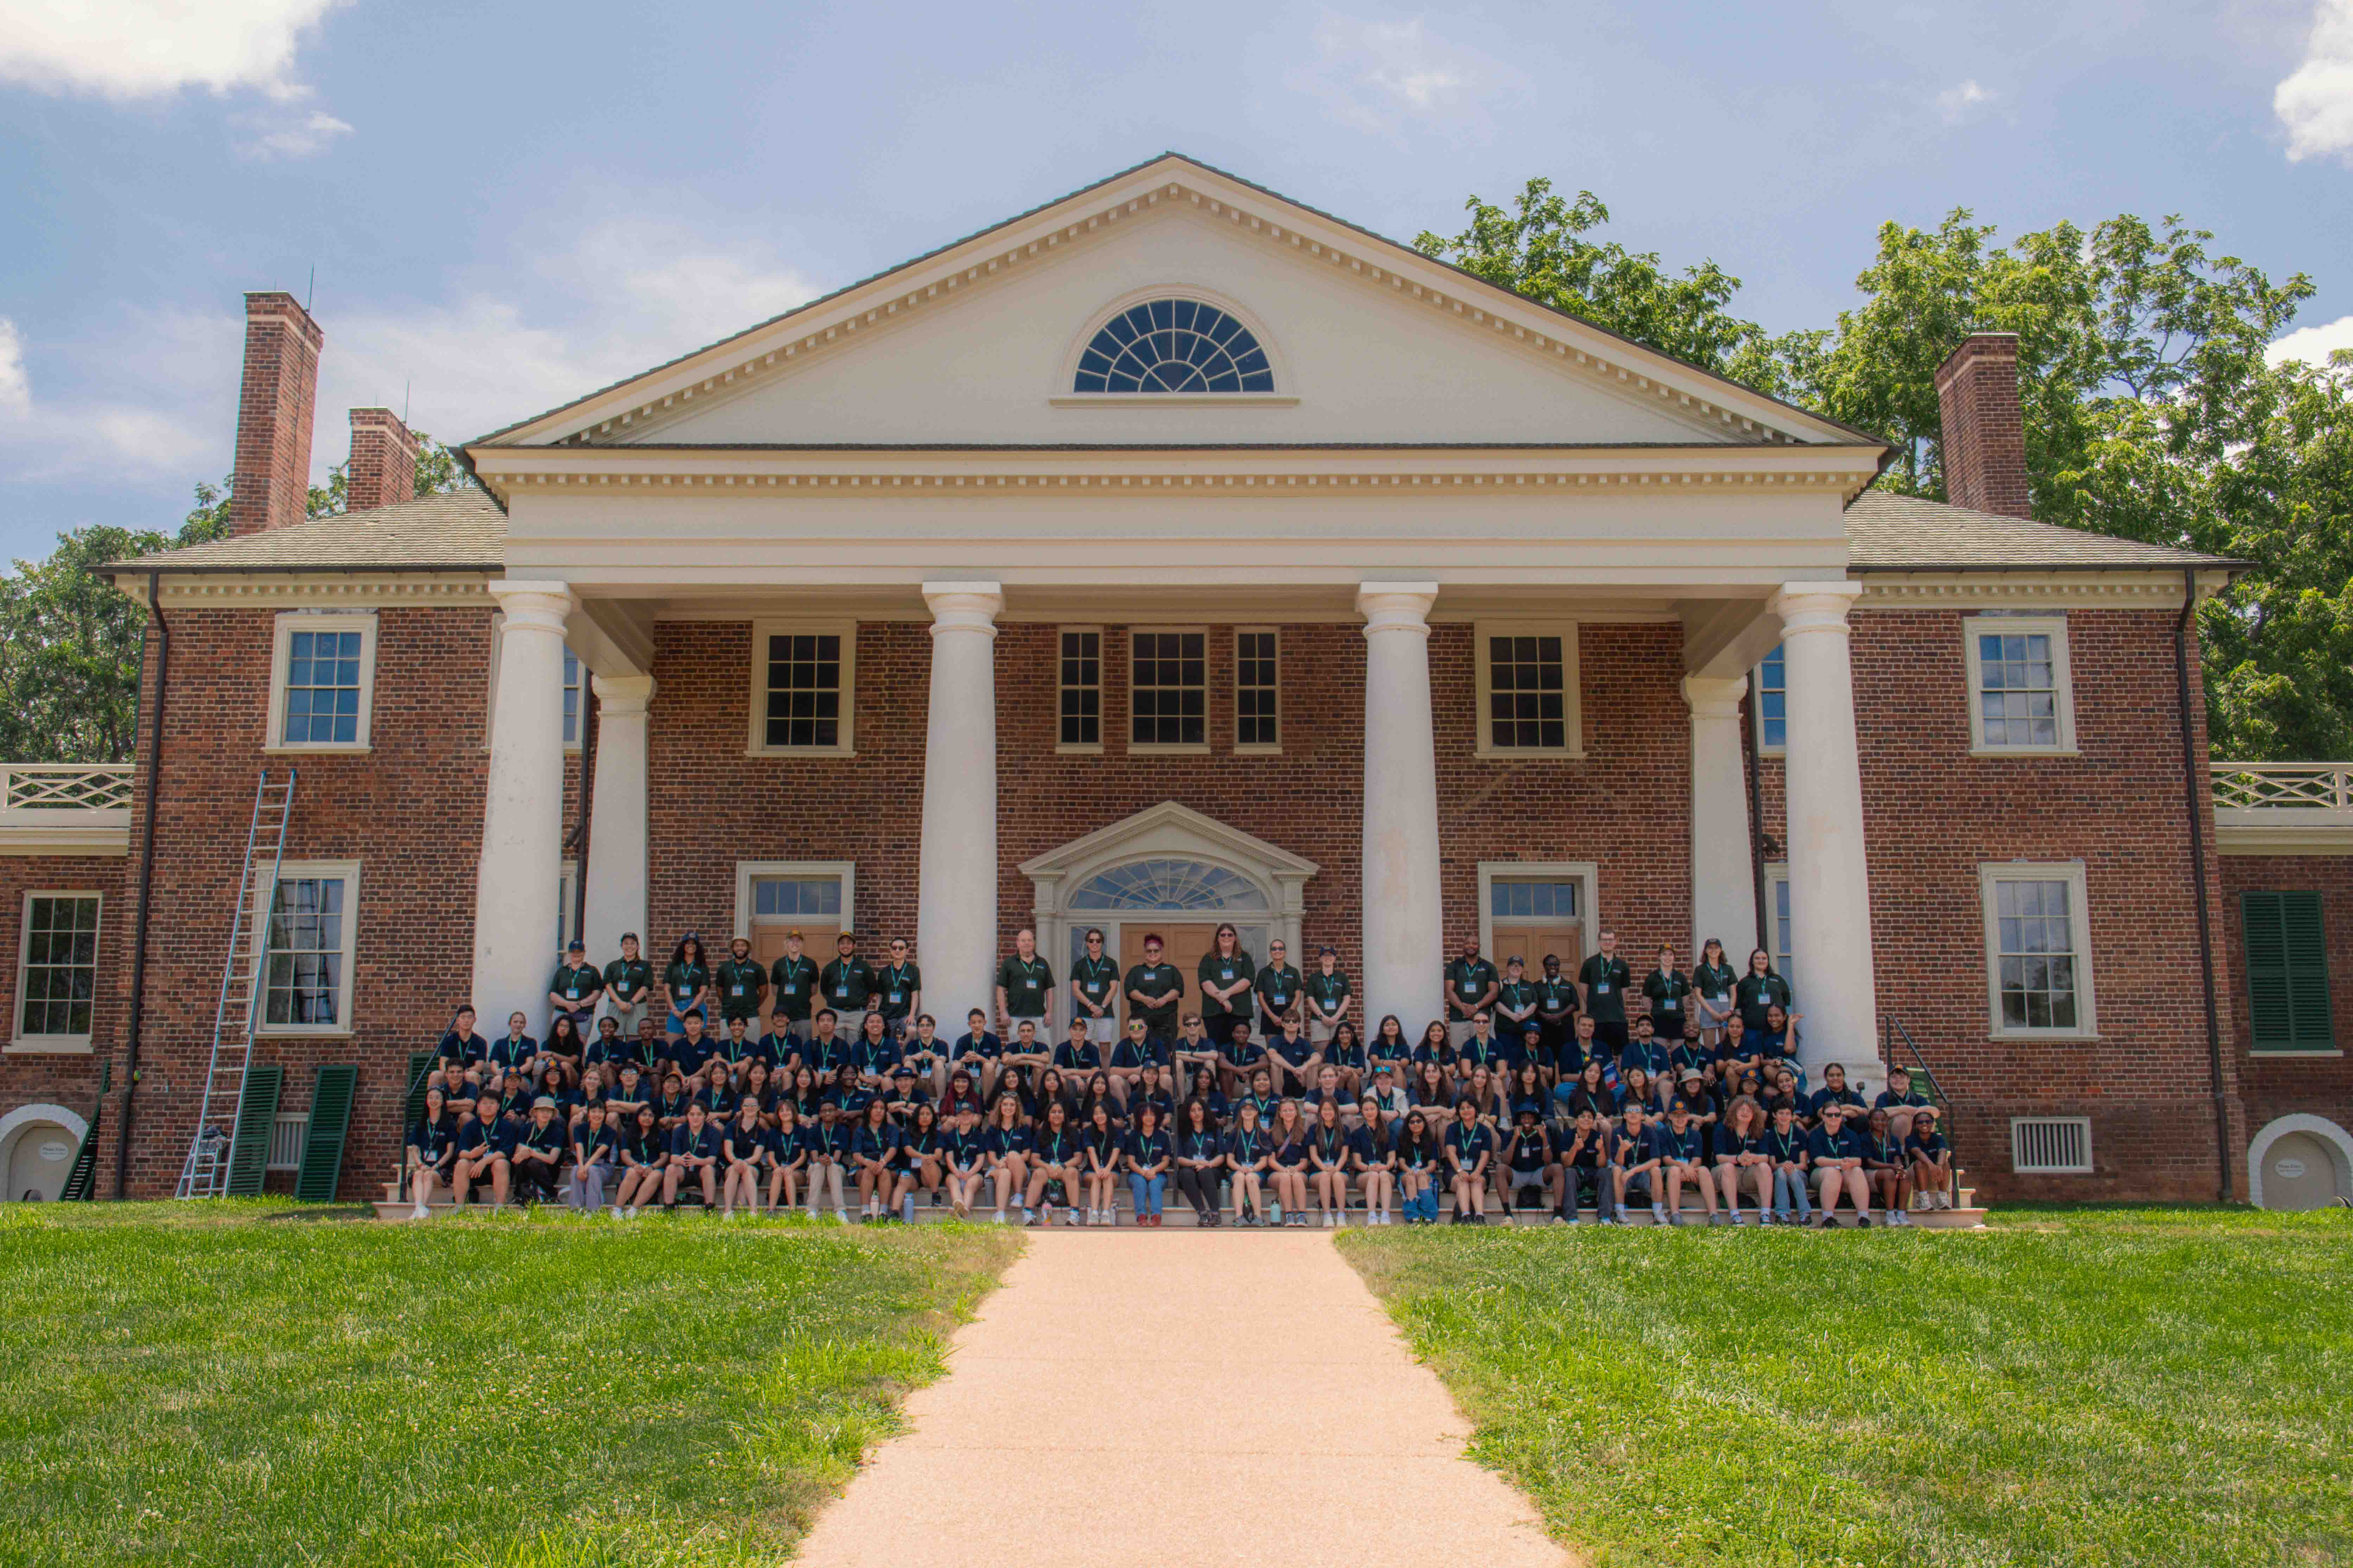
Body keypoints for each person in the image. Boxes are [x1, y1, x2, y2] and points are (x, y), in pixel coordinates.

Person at [1807, 1102, 1870, 1226]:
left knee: (1857, 1170)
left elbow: (1858, 1160)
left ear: (1842, 1117)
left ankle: (1864, 1218)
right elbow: (1819, 1160)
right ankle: (1828, 1218)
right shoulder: (1816, 1134)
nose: (1834, 1118)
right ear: (1823, 1117)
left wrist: (1849, 1163)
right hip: (1820, 1175)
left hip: (1844, 1173)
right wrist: (1840, 1162)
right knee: (1833, 1172)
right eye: (1830, 1115)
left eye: (1837, 1115)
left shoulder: (1850, 1134)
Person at [1656, 1099, 1717, 1224]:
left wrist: (1689, 1169)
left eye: (1683, 1115)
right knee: (1675, 1170)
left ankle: (1714, 1215)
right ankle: (1675, 1215)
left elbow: (1698, 1159)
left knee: (1704, 1170)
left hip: (1690, 1172)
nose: (1680, 1118)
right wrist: (1685, 1167)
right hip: (1671, 1172)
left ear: (1688, 1117)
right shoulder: (1663, 1134)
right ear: (1670, 1117)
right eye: (1676, 1115)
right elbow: (1667, 1160)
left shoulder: (1695, 1135)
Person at [1715, 1095, 1773, 1225]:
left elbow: (1765, 1157)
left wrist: (1753, 1158)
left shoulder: (1759, 1131)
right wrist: (1738, 1159)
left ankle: (1765, 1214)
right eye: (1742, 1109)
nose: (1745, 1113)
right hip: (1726, 1173)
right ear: (1734, 1111)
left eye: (1749, 1111)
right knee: (1728, 1167)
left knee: (1764, 1167)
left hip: (1748, 1173)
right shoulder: (1722, 1128)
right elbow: (1720, 1158)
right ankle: (1735, 1215)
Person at [452, 1091, 515, 1210]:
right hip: (475, 1171)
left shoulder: (506, 1126)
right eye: (485, 1103)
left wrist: (484, 1162)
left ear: (498, 1106)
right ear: (479, 1107)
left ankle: (500, 1208)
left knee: (501, 1163)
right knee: (462, 1163)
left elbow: (505, 1152)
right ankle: (459, 1207)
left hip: (497, 1171)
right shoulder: (470, 1126)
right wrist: (472, 1155)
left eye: (492, 1103)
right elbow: (461, 1151)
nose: (488, 1106)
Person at [1196, 924, 1255, 1050]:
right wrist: (1222, 999)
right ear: (1218, 938)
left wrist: (1227, 993)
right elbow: (1205, 982)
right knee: (1216, 1047)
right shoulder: (1208, 959)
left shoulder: (1245, 958)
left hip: (1240, 1011)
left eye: (1230, 935)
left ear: (1235, 938)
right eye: (1223, 935)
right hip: (1214, 1012)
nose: (1226, 937)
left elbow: (1248, 980)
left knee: (1239, 1047)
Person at [1123, 933, 1184, 1053]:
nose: (1153, 953)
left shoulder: (1171, 970)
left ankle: (1166, 1072)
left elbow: (1178, 989)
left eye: (1156, 950)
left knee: (1167, 1051)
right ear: (1145, 953)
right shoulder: (1136, 971)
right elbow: (1130, 990)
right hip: (1142, 1018)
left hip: (1166, 1018)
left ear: (1161, 951)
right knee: (1142, 1049)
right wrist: (1144, 999)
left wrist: (1165, 999)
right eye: (1149, 951)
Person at [1733, 948, 1794, 1065]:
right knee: (1754, 1061)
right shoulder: (1745, 982)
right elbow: (1738, 1008)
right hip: (1752, 1030)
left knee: (1774, 1059)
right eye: (1757, 958)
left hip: (1774, 1030)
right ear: (1752, 961)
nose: (1761, 961)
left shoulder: (1778, 980)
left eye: (1764, 958)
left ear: (1768, 961)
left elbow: (1787, 1003)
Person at [404, 1085, 457, 1219]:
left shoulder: (449, 1124)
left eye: (438, 1098)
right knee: (418, 1175)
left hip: (441, 1169)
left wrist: (435, 1167)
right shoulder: (421, 1124)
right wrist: (421, 1165)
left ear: (443, 1101)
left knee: (428, 1175)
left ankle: (422, 1207)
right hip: (424, 1166)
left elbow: (450, 1152)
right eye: (431, 1098)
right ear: (427, 1101)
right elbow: (414, 1150)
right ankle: (419, 1208)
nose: (434, 1101)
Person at [1027, 1099, 1082, 1227]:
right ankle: (1028, 1212)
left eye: (1060, 1112)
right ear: (1048, 1116)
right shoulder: (1041, 1133)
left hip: (1066, 1169)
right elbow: (1034, 1159)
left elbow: (1079, 1158)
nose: (1057, 1115)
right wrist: (1048, 1167)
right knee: (1038, 1173)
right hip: (1047, 1170)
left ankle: (1075, 1213)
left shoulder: (1073, 1133)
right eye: (1053, 1112)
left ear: (1064, 1116)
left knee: (1072, 1172)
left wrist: (1063, 1166)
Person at [1578, 931, 1632, 1058]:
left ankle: (1620, 1078)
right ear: (1599, 942)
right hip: (1597, 1019)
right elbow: (1583, 987)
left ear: (1616, 942)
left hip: (1617, 1018)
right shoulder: (1590, 964)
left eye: (1610, 940)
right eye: (1604, 940)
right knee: (1598, 1055)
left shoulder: (1623, 965)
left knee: (1622, 1055)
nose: (1607, 942)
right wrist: (1593, 1002)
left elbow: (1625, 990)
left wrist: (1616, 1003)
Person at [661, 1100, 722, 1210]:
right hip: (685, 1170)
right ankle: (669, 1208)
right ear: (687, 1116)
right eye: (692, 1114)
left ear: (705, 1116)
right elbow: (674, 1159)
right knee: (671, 1168)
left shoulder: (714, 1132)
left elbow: (712, 1160)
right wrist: (683, 1160)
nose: (695, 1118)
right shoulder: (679, 1131)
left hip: (704, 1172)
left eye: (699, 1115)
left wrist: (697, 1161)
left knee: (708, 1169)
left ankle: (709, 1208)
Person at [996, 928, 1055, 1041]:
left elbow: (1050, 990)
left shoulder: (1043, 963)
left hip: (1039, 1016)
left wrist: (1049, 1012)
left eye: (1030, 940)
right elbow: (1000, 989)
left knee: (1042, 1050)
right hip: (1016, 1016)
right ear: (1018, 943)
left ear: (1034, 943)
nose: (1027, 943)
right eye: (1023, 941)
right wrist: (1003, 1013)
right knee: (1017, 1051)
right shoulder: (1009, 963)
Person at [1612, 1102, 1665, 1225]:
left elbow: (1657, 1160)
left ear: (1643, 1116)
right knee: (1616, 1169)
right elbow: (1618, 1163)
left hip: (1643, 1174)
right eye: (1630, 1111)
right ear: (1624, 1116)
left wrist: (1634, 1171)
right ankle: (1620, 1212)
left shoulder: (1650, 1132)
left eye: (1637, 1111)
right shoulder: (1618, 1132)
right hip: (1625, 1177)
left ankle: (1658, 1212)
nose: (1633, 1113)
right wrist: (1622, 1150)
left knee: (1656, 1170)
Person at [850, 1098, 903, 1223]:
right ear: (869, 1110)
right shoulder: (860, 1130)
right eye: (875, 1108)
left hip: (886, 1167)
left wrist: (882, 1163)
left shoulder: (892, 1129)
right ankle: (865, 1212)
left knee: (884, 1172)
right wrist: (869, 1163)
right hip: (864, 1169)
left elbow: (893, 1149)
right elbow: (856, 1155)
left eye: (882, 1108)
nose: (879, 1111)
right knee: (869, 1171)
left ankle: (883, 1212)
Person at [1556, 1108, 1612, 1224]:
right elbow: (1566, 1164)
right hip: (1576, 1172)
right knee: (1569, 1173)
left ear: (1593, 1123)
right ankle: (1571, 1217)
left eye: (1590, 1117)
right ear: (1576, 1121)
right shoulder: (1568, 1135)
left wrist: (1602, 1150)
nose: (1586, 1119)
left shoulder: (1598, 1136)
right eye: (1583, 1116)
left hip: (1593, 1173)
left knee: (1606, 1173)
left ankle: (1605, 1217)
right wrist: (1575, 1149)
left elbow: (1602, 1165)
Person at [1442, 1097, 1493, 1224]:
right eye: (1463, 1109)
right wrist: (1460, 1170)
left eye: (1470, 1108)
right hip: (1455, 1171)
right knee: (1462, 1182)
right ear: (1458, 1112)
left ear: (1476, 1110)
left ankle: (1480, 1218)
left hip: (1479, 1169)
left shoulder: (1485, 1131)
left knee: (1477, 1182)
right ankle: (1465, 1218)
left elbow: (1485, 1156)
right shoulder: (1452, 1129)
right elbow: (1451, 1153)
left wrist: (1477, 1172)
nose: (1466, 1111)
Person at [984, 1094, 1033, 1225]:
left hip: (1020, 1169)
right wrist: (1001, 1164)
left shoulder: (1024, 1129)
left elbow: (1027, 1155)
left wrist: (1011, 1160)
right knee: (1005, 1173)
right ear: (1000, 1108)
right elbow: (991, 1157)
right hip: (998, 1166)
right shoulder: (992, 1130)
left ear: (1017, 1109)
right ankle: (1000, 1214)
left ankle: (1018, 1195)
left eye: (1012, 1105)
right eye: (1005, 1105)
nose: (1009, 1108)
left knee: (1013, 1155)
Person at [1070, 926, 1122, 1047]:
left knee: (1105, 1049)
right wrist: (1091, 1006)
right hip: (1085, 1013)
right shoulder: (1080, 965)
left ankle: (1105, 1067)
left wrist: (1102, 1008)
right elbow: (1076, 990)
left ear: (1102, 943)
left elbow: (1114, 989)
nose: (1095, 943)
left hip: (1105, 1013)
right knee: (1084, 1047)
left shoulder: (1111, 963)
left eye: (1098, 941)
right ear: (1087, 943)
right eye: (1092, 941)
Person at [1444, 939, 1499, 1049]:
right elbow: (1449, 992)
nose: (1471, 946)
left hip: (1482, 1019)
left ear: (1479, 946)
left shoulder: (1489, 967)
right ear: (1463, 946)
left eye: (1475, 944)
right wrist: (1464, 1009)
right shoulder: (1454, 966)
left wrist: (1476, 1007)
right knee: (1459, 1053)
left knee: (1483, 1051)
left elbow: (1494, 992)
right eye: (1468, 943)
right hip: (1458, 1018)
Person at [1501, 1106, 1556, 1216]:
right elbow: (1505, 1161)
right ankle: (1508, 1214)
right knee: (1500, 1169)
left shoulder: (1542, 1134)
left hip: (1538, 1175)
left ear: (1536, 1120)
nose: (1527, 1121)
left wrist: (1544, 1139)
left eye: (1530, 1118)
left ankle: (1558, 1214)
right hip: (1517, 1175)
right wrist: (1515, 1138)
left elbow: (1549, 1161)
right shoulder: (1510, 1135)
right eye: (1523, 1118)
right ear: (1518, 1120)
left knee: (1558, 1168)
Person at [613, 1105, 667, 1218]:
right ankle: (617, 1210)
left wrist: (652, 1167)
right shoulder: (629, 1134)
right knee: (633, 1173)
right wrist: (635, 1165)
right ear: (638, 1116)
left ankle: (633, 1210)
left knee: (656, 1175)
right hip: (634, 1166)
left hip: (655, 1167)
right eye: (644, 1115)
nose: (647, 1118)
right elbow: (625, 1155)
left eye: (651, 1115)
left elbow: (664, 1157)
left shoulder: (662, 1135)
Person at [1762, 1100, 1811, 1224]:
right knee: (1780, 1171)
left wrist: (1791, 1167)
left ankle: (1805, 1215)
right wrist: (1784, 1166)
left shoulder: (1800, 1134)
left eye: (1788, 1114)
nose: (1784, 1117)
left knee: (1793, 1174)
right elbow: (1772, 1165)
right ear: (1774, 1115)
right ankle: (1782, 1214)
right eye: (1781, 1114)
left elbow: (1804, 1165)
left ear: (1792, 1116)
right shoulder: (1770, 1135)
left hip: (1799, 1174)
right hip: (1779, 1175)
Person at [822, 932, 876, 1044]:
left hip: (857, 1014)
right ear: (838, 946)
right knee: (837, 1048)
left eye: (849, 943)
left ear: (854, 946)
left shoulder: (864, 967)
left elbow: (872, 990)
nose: (845, 946)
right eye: (842, 943)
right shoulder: (830, 968)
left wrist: (861, 1002)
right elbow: (824, 990)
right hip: (836, 1014)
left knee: (856, 1047)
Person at [1347, 1097, 1394, 1224]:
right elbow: (1357, 1162)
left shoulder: (1389, 1131)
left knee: (1383, 1175)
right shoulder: (1357, 1134)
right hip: (1365, 1173)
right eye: (1366, 1110)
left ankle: (1385, 1215)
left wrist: (1386, 1167)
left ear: (1378, 1110)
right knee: (1374, 1175)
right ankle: (1372, 1215)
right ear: (1362, 1112)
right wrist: (1369, 1168)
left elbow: (1392, 1158)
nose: (1370, 1112)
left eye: (1372, 1109)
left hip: (1385, 1171)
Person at [768, 929, 820, 1044]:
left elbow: (814, 989)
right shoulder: (779, 964)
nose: (795, 944)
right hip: (783, 1015)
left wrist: (802, 996)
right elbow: (775, 989)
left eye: (798, 941)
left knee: (805, 1046)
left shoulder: (810, 964)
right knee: (784, 1046)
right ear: (787, 943)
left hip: (803, 1014)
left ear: (802, 944)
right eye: (792, 941)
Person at [1224, 1098, 1271, 1226]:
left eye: (1252, 1109)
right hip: (1238, 1170)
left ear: (1257, 1113)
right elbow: (1230, 1159)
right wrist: (1240, 1168)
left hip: (1256, 1172)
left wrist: (1252, 1169)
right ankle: (1239, 1216)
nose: (1248, 1112)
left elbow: (1264, 1161)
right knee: (1239, 1177)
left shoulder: (1262, 1134)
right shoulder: (1234, 1134)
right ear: (1240, 1112)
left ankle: (1258, 1216)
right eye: (1245, 1109)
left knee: (1250, 1178)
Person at [721, 1098, 770, 1217]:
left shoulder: (761, 1131)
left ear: (759, 1108)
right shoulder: (731, 1127)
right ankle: (728, 1212)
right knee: (734, 1170)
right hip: (733, 1164)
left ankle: (754, 1211)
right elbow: (728, 1150)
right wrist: (735, 1161)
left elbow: (757, 1156)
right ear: (742, 1107)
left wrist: (744, 1163)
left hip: (753, 1165)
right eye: (747, 1105)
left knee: (746, 1171)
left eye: (754, 1105)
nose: (750, 1108)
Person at [1860, 1107, 1910, 1226]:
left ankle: (1902, 1214)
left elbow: (1897, 1157)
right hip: (1870, 1174)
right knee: (1889, 1173)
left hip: (1890, 1171)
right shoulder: (1864, 1138)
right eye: (1876, 1120)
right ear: (1870, 1122)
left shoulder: (1892, 1139)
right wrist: (1892, 1167)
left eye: (1883, 1120)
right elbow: (1870, 1162)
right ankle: (1890, 1215)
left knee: (1906, 1175)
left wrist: (1898, 1166)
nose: (1880, 1123)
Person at [1266, 1099, 1312, 1227]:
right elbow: (1271, 1160)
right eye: (1285, 1111)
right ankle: (1289, 1215)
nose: (1288, 1113)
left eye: (1291, 1110)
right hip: (1277, 1172)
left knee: (1296, 1177)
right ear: (1280, 1114)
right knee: (1286, 1178)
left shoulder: (1303, 1134)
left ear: (1297, 1112)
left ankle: (1302, 1216)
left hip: (1297, 1170)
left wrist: (1295, 1169)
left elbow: (1305, 1162)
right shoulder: (1272, 1134)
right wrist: (1284, 1170)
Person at [662, 934, 713, 1045]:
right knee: (671, 1045)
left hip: (696, 1007)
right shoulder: (673, 965)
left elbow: (704, 991)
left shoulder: (702, 967)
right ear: (683, 946)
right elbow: (667, 989)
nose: (691, 946)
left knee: (697, 1046)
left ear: (698, 947)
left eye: (694, 943)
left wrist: (690, 1009)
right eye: (688, 943)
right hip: (677, 1008)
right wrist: (674, 1010)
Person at [1308, 1097, 1352, 1226]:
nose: (1328, 1113)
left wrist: (1336, 1168)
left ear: (1336, 1111)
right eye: (1325, 1110)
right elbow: (1313, 1155)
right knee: (1325, 1177)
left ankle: (1341, 1215)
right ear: (1320, 1112)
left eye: (1331, 1109)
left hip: (1339, 1169)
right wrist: (1324, 1168)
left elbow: (1345, 1155)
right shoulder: (1313, 1129)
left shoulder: (1344, 1129)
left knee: (1338, 1178)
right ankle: (1327, 1215)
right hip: (1319, 1171)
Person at [603, 933, 654, 1042]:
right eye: (626, 944)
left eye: (633, 944)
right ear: (622, 946)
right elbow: (608, 985)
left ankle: (632, 1060)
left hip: (637, 1006)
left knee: (635, 1038)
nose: (629, 946)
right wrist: (619, 1003)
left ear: (638, 946)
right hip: (616, 1006)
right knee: (616, 1037)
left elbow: (645, 987)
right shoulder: (613, 966)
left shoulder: (645, 966)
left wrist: (632, 1003)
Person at [568, 1102, 617, 1213]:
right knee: (576, 1169)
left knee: (592, 1170)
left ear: (605, 1114)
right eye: (594, 1112)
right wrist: (581, 1166)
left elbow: (600, 1152)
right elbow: (579, 1148)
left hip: (603, 1167)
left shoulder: (610, 1132)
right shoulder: (580, 1129)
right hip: (584, 1164)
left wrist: (586, 1167)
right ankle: (576, 1209)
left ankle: (593, 1210)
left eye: (601, 1112)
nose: (597, 1115)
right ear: (589, 1114)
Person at [942, 1104, 990, 1220]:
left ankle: (962, 1214)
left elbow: (980, 1161)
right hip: (955, 1172)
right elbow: (949, 1159)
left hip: (974, 1173)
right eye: (962, 1114)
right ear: (957, 1116)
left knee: (970, 1185)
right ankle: (960, 1209)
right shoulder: (951, 1136)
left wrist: (969, 1174)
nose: (965, 1117)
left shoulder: (979, 1136)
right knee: (954, 1184)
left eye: (969, 1114)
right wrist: (957, 1172)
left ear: (973, 1116)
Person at [1393, 1110, 1441, 1224]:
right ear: (1408, 1125)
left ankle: (1429, 1215)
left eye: (1419, 1121)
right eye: (1412, 1122)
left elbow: (1433, 1165)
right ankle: (1412, 1215)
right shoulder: (1402, 1141)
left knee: (1422, 1178)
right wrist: (1409, 1170)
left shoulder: (1431, 1141)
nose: (1416, 1124)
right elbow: (1401, 1162)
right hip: (1406, 1172)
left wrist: (1423, 1171)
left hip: (1426, 1172)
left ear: (1424, 1123)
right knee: (1410, 1178)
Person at [900, 1102, 946, 1222]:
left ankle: (935, 1195)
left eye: (928, 1114)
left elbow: (939, 1154)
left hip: (930, 1173)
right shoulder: (908, 1132)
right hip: (913, 1173)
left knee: (928, 1162)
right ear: (917, 1117)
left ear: (933, 1117)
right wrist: (922, 1156)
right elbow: (908, 1150)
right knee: (904, 1178)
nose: (925, 1117)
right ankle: (894, 1212)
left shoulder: (938, 1134)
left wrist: (930, 1158)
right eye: (922, 1114)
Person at [548, 939, 604, 1036]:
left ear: (584, 953)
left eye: (580, 952)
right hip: (562, 1013)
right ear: (570, 953)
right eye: (574, 952)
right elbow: (553, 994)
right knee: (559, 1045)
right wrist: (568, 1004)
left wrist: (579, 1005)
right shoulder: (562, 971)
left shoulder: (592, 971)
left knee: (579, 1047)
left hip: (583, 1014)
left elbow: (598, 993)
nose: (577, 954)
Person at [715, 936, 767, 1038]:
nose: (740, 948)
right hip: (728, 1015)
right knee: (727, 1050)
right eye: (737, 946)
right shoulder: (724, 968)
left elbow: (764, 992)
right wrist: (728, 1002)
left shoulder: (757, 967)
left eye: (743, 945)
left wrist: (754, 1005)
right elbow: (720, 990)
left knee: (752, 1048)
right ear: (733, 948)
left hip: (750, 1015)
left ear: (748, 948)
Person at [809, 1101, 853, 1222]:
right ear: (820, 1115)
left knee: (833, 1167)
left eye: (831, 1110)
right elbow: (814, 1158)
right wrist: (823, 1160)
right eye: (824, 1111)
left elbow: (837, 1157)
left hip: (836, 1169)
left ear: (836, 1113)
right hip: (817, 1170)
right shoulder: (813, 1131)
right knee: (818, 1166)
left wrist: (830, 1160)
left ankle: (840, 1211)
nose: (828, 1113)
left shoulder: (843, 1131)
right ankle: (812, 1210)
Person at [1082, 1099, 1124, 1226]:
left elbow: (1116, 1153)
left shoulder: (1118, 1132)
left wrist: (1107, 1169)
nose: (1099, 1116)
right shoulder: (1088, 1132)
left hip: (1112, 1171)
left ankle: (1106, 1213)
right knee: (1097, 1177)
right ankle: (1094, 1214)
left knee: (1108, 1177)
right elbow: (1091, 1152)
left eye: (1102, 1113)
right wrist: (1098, 1170)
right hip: (1092, 1171)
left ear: (1108, 1114)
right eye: (1096, 1113)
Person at [1642, 943, 1691, 1048]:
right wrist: (1657, 1010)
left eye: (1670, 955)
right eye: (1664, 954)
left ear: (1674, 958)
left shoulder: (1681, 977)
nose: (1667, 958)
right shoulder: (1652, 977)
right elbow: (1646, 1001)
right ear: (1659, 957)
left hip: (1678, 1019)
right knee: (1660, 1054)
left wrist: (1678, 1009)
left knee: (1678, 1055)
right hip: (1659, 1020)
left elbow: (1686, 999)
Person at [1534, 955, 1579, 1071]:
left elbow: (1575, 1004)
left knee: (1567, 1063)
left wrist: (1559, 1016)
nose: (1554, 967)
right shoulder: (1537, 986)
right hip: (1545, 1032)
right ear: (1545, 966)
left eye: (1557, 964)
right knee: (1547, 1065)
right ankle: (1550, 1088)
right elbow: (1533, 1006)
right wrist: (1545, 1016)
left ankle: (1566, 1087)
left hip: (1565, 1031)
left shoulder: (1568, 985)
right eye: (1550, 964)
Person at [1692, 937, 1737, 1052]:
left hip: (1726, 1009)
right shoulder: (1700, 969)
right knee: (1709, 1048)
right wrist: (1712, 1012)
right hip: (1709, 1009)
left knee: (1726, 1046)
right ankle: (1711, 1069)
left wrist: (1731, 1010)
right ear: (1706, 951)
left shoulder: (1728, 969)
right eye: (1710, 948)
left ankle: (1723, 1069)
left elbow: (1733, 992)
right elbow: (1698, 994)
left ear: (1721, 950)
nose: (1713, 950)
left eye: (1716, 948)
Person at [875, 936, 921, 1044]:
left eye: (901, 948)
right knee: (887, 1041)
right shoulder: (884, 972)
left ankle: (903, 1055)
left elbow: (915, 994)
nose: (898, 951)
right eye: (895, 948)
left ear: (907, 951)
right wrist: (878, 1014)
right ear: (891, 950)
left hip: (904, 1014)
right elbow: (879, 995)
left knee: (912, 1031)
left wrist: (912, 1015)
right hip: (887, 1014)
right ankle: (892, 1059)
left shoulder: (913, 970)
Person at [1254, 939, 1302, 1041]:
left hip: (1290, 1012)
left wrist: (1288, 1014)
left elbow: (1298, 996)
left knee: (1291, 1049)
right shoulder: (1263, 973)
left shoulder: (1294, 972)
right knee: (1273, 1050)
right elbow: (1260, 998)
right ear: (1271, 953)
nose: (1278, 951)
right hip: (1270, 1013)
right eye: (1274, 949)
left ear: (1285, 953)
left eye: (1281, 949)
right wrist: (1272, 1017)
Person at [950, 1008, 1003, 1101]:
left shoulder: (994, 1039)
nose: (977, 1025)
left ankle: (987, 1103)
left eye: (980, 1022)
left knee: (989, 1066)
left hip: (985, 1077)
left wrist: (980, 1058)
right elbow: (956, 1062)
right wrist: (964, 1059)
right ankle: (956, 1100)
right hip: (967, 1077)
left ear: (985, 1023)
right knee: (956, 1065)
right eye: (974, 1023)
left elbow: (994, 1064)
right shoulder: (962, 1040)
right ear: (969, 1024)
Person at [1905, 1111, 1954, 1211]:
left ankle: (1942, 1197)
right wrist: (1932, 1165)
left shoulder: (1938, 1138)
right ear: (1915, 1125)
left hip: (1935, 1173)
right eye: (1920, 1122)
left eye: (1928, 1122)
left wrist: (1939, 1166)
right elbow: (1918, 1153)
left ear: (1932, 1123)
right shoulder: (1910, 1139)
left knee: (1945, 1164)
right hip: (1915, 1174)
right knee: (1920, 1163)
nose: (1924, 1124)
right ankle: (1923, 1198)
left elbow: (1943, 1151)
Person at [1302, 946, 1351, 1046]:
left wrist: (1336, 1017)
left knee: (1339, 1050)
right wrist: (1322, 1017)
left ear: (1335, 958)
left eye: (1331, 955)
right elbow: (1311, 1000)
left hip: (1339, 1020)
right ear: (1320, 959)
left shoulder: (1342, 977)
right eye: (1325, 955)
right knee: (1322, 1050)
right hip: (1319, 1020)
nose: (1328, 958)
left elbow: (1347, 999)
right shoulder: (1314, 978)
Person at [1265, 1013, 1319, 1097]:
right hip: (1282, 1081)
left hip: (1300, 1081)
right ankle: (1279, 1100)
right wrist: (1293, 1070)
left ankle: (1310, 1098)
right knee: (1275, 1065)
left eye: (1294, 1021)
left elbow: (1317, 1057)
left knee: (1313, 1066)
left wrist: (1304, 1067)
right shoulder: (1275, 1040)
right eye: (1287, 1021)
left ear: (1298, 1025)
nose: (1291, 1023)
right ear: (1283, 1024)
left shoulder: (1303, 1042)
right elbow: (1272, 1056)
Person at [768, 1103, 809, 1212]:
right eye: (781, 1110)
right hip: (780, 1169)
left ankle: (792, 1210)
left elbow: (803, 1156)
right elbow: (771, 1157)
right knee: (778, 1173)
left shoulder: (802, 1131)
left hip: (798, 1170)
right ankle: (771, 1210)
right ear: (778, 1114)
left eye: (788, 1110)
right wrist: (777, 1167)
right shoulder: (773, 1132)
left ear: (794, 1113)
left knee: (788, 1174)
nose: (785, 1113)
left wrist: (791, 1167)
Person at [1493, 955, 1540, 1052]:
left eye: (1519, 966)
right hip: (1505, 1029)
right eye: (1513, 966)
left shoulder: (1529, 985)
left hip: (1525, 1030)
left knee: (1524, 1059)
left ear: (1523, 969)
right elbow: (1496, 1003)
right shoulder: (1500, 985)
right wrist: (1512, 1015)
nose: (1516, 968)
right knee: (1507, 1057)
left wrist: (1523, 1016)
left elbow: (1534, 1003)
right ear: (1508, 968)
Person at [1218, 1018, 1267, 1100]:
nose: (1241, 1035)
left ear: (1249, 1035)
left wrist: (1248, 1068)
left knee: (1258, 1072)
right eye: (1238, 1033)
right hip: (1233, 1084)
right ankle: (1229, 1104)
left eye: (1245, 1033)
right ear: (1233, 1034)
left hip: (1251, 1082)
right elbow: (1221, 1062)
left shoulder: (1256, 1048)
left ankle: (1261, 1102)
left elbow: (1265, 1062)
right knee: (1226, 1072)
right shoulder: (1225, 1048)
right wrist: (1237, 1070)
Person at [851, 1010, 899, 1093]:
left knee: (887, 1081)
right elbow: (855, 1069)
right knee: (854, 1082)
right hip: (865, 1080)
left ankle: (890, 1105)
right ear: (866, 1026)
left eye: (879, 1022)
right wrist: (867, 1080)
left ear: (884, 1026)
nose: (875, 1024)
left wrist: (882, 1077)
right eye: (871, 1022)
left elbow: (896, 1066)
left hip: (884, 1078)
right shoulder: (858, 1046)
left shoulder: (892, 1044)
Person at [1323, 1020, 1368, 1100]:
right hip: (1336, 1082)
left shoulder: (1358, 1050)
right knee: (1339, 1075)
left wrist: (1350, 1070)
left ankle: (1354, 1107)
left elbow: (1361, 1071)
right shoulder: (1331, 1049)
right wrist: (1342, 1068)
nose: (1345, 1035)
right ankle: (1336, 1106)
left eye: (1347, 1033)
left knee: (1354, 1076)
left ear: (1352, 1035)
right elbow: (1330, 1068)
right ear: (1338, 1035)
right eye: (1342, 1033)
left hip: (1353, 1082)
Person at [487, 1011, 538, 1079]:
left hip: (522, 1077)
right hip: (503, 1077)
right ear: (510, 1023)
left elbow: (530, 1064)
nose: (518, 1025)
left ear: (525, 1025)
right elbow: (494, 1064)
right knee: (497, 1080)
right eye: (515, 1022)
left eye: (521, 1023)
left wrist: (514, 1073)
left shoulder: (531, 1042)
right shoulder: (499, 1043)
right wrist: (498, 1072)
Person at [1367, 1014, 1411, 1083]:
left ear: (1398, 1029)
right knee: (1381, 1068)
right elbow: (1374, 1062)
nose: (1391, 1027)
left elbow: (1404, 1064)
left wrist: (1389, 1063)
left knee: (1398, 1068)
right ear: (1383, 1030)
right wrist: (1386, 1063)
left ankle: (1399, 1094)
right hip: (1379, 1075)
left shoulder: (1404, 1046)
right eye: (1387, 1025)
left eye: (1394, 1024)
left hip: (1398, 1075)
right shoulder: (1375, 1044)